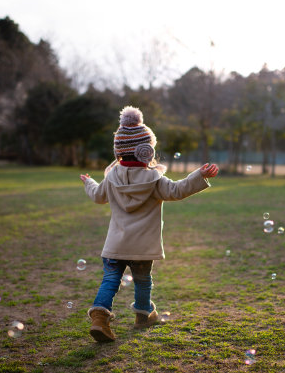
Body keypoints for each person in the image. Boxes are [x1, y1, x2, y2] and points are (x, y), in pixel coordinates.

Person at [80, 106, 219, 342]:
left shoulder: (111, 178)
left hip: (116, 244)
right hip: (142, 248)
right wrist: (199, 175)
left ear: (119, 151)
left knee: (110, 280)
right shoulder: (155, 179)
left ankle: (99, 318)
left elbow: (98, 197)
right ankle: (144, 314)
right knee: (143, 281)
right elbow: (177, 190)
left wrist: (89, 182)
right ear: (147, 150)